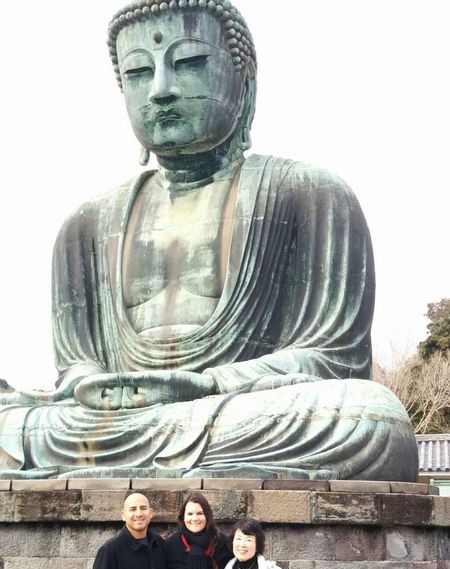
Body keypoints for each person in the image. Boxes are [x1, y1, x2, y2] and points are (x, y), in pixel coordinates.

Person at [0, 0, 418, 482]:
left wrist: (205, 383)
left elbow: (334, 360)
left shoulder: (310, 194)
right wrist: (97, 389)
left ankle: (137, 463)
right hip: (112, 422)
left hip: (241, 410)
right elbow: (76, 369)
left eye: (189, 63)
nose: (161, 90)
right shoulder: (85, 224)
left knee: (368, 419)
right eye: (138, 72)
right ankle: (158, 461)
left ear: (243, 82)